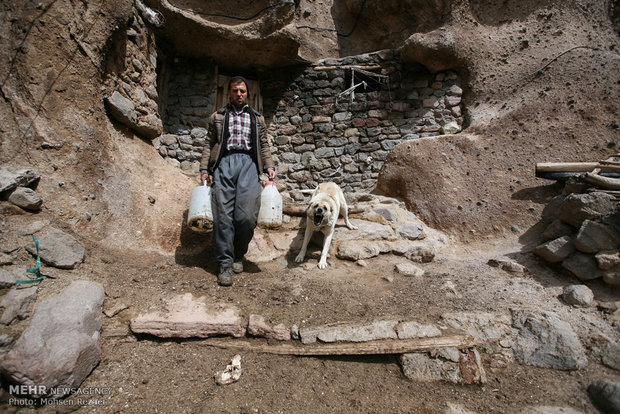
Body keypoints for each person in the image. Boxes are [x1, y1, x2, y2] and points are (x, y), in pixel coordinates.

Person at [199, 76, 276, 286]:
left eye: (242, 91)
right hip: (224, 163)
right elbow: (209, 143)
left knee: (246, 217)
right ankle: (224, 264)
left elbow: (264, 145)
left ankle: (238, 254)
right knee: (223, 215)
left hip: (249, 165)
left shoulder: (257, 119)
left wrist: (269, 166)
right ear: (229, 93)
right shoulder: (218, 116)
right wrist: (204, 168)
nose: (239, 94)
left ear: (247, 94)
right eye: (235, 91)